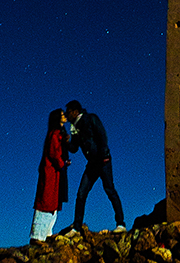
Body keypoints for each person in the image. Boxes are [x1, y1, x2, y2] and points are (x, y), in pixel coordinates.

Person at [63, 99, 126, 233]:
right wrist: (66, 142)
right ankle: (77, 228)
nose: (66, 116)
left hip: (103, 161)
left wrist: (104, 155)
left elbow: (102, 136)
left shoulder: (91, 118)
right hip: (92, 164)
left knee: (110, 190)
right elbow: (74, 148)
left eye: (68, 113)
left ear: (75, 112)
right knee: (81, 194)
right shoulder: (74, 128)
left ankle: (121, 224)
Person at [30, 108, 70, 243]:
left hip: (56, 172)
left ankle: (47, 233)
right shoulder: (54, 134)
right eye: (62, 115)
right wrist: (61, 163)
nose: (65, 116)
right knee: (46, 201)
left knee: (54, 202)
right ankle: (37, 236)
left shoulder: (59, 133)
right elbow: (54, 153)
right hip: (51, 173)